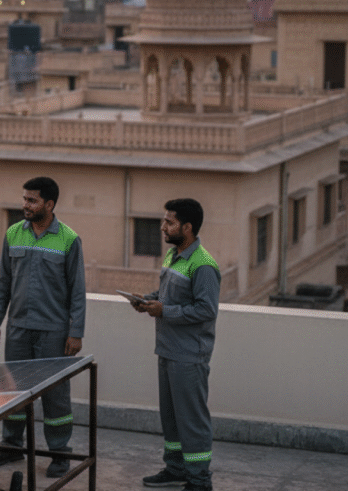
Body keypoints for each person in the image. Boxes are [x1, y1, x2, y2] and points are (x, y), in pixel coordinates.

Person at [0, 176, 86, 478]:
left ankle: (58, 453)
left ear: (49, 204)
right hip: (18, 328)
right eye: (24, 199)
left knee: (55, 394)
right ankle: (12, 446)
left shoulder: (68, 239)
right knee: (13, 391)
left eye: (32, 200)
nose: (25, 205)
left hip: (53, 330)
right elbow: (3, 281)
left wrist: (75, 331)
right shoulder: (14, 233)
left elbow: (77, 291)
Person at [133, 199, 219, 491]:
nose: (163, 226)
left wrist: (165, 311)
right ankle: (176, 468)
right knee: (170, 418)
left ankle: (199, 480)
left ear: (187, 227)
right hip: (168, 350)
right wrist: (148, 300)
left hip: (189, 355)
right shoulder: (173, 255)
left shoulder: (204, 265)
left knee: (192, 420)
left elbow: (206, 310)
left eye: (169, 222)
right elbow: (169, 294)